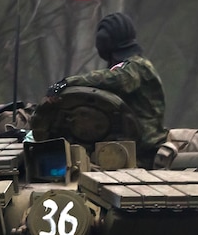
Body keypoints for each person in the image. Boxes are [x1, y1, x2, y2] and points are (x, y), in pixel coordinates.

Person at [46, 12, 168, 166]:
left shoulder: (138, 67)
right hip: (117, 149)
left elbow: (116, 79)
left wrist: (68, 82)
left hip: (145, 152)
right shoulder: (126, 67)